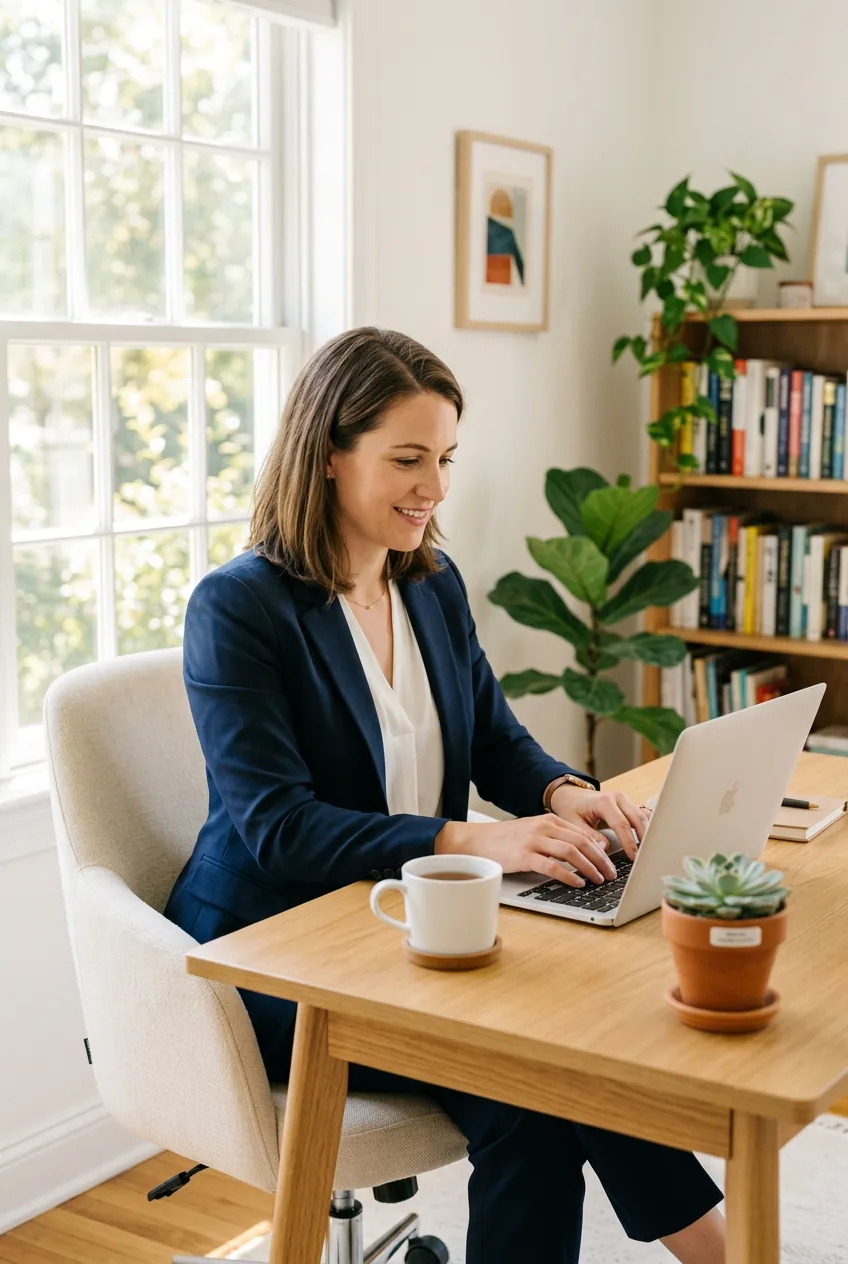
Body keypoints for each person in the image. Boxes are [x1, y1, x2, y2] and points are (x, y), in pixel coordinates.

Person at [163, 327, 724, 1263]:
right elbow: (278, 829)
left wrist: (561, 791)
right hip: (277, 952)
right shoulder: (241, 607)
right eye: (408, 459)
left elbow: (495, 737)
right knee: (541, 1097)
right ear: (329, 456)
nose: (435, 488)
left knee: (584, 1057)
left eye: (447, 458)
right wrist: (476, 842)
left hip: (413, 932)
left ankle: (728, 1252)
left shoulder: (430, 581)